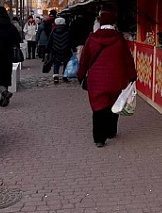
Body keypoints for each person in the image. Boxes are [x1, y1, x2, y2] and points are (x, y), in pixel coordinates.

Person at [77, 10, 136, 147]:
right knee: (114, 104)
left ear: (100, 22)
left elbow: (84, 60)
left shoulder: (91, 39)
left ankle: (99, 138)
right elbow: (127, 59)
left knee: (98, 108)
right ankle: (111, 131)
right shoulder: (119, 39)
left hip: (96, 81)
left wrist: (81, 75)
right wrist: (132, 76)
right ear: (114, 22)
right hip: (117, 79)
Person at [48, 17, 75, 84]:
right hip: (66, 49)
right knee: (66, 62)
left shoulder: (53, 30)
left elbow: (50, 41)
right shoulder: (67, 30)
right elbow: (71, 40)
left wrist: (47, 49)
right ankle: (65, 76)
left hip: (55, 49)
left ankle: (56, 77)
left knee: (56, 63)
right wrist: (73, 48)